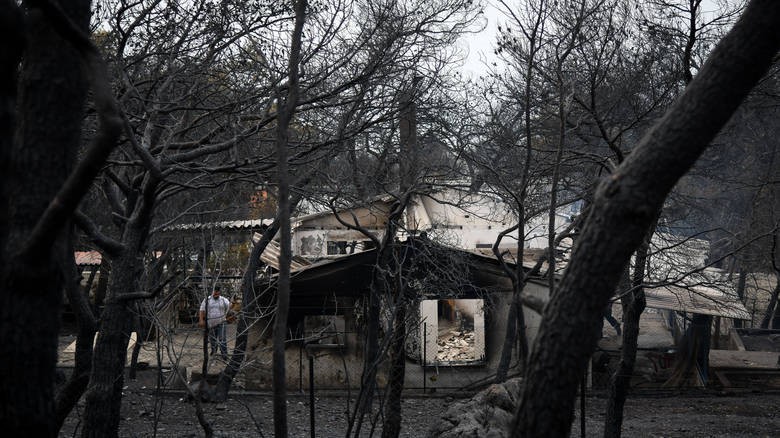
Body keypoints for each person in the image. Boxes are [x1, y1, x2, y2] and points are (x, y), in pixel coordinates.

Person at [198, 285, 230, 360]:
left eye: (218, 292)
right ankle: (214, 351)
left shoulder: (223, 300)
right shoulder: (207, 300)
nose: (216, 293)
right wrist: (201, 320)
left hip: (221, 323)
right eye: (215, 291)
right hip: (211, 324)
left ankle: (224, 354)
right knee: (212, 339)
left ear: (219, 292)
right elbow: (202, 310)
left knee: (222, 339)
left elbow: (229, 307)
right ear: (212, 292)